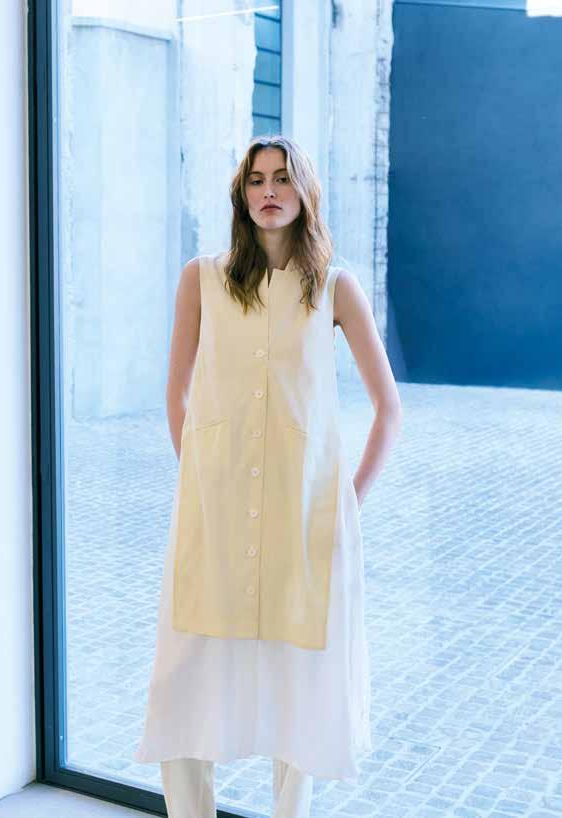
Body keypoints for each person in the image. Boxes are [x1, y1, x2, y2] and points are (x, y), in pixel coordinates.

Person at [133, 135, 402, 818]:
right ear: (241, 195)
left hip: (302, 517)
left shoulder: (334, 287)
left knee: (298, 681)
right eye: (256, 180)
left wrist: (346, 502)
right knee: (185, 677)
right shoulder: (202, 279)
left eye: (282, 178)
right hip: (215, 514)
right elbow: (176, 393)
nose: (269, 191)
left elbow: (388, 409)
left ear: (304, 192)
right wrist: (200, 481)